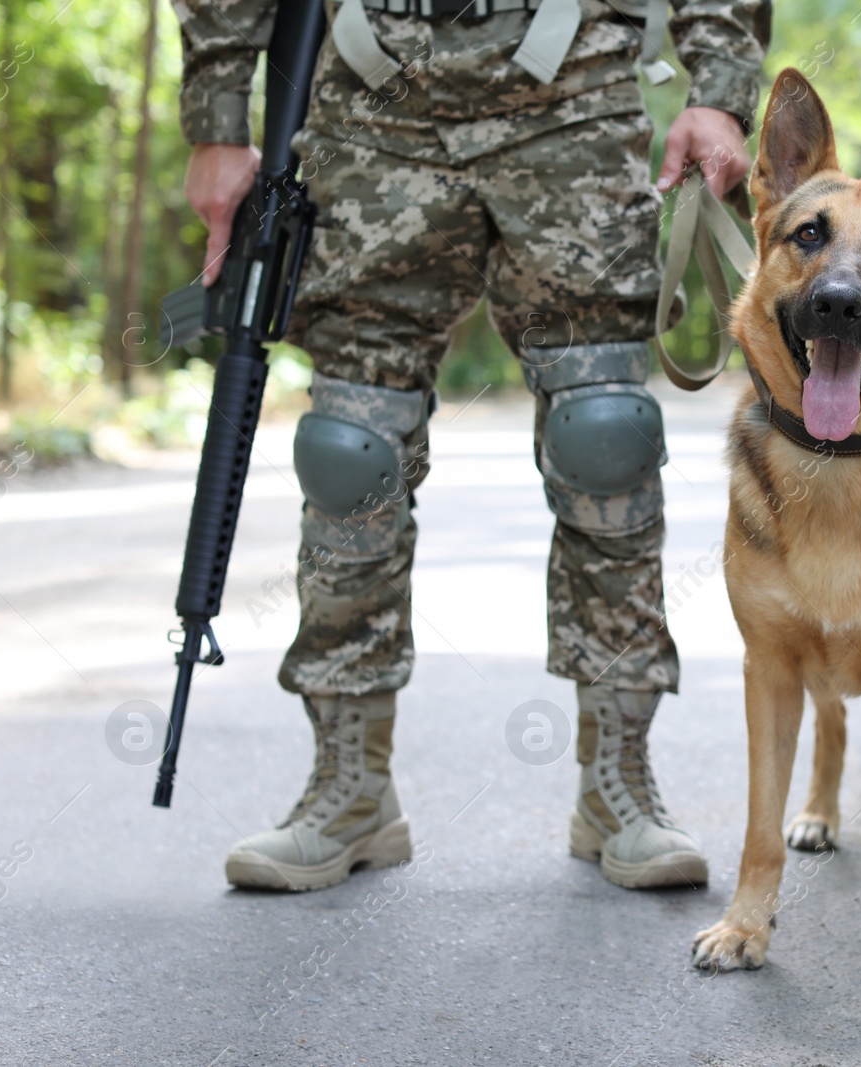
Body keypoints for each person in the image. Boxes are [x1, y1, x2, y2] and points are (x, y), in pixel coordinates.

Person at [175, 0, 765, 892]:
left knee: (605, 435)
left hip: (572, 88)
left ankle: (618, 784)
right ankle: (350, 785)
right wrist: (219, 114)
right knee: (349, 451)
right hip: (376, 99)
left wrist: (718, 88)